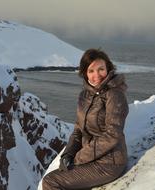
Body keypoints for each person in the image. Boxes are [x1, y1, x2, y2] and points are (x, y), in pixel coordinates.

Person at [42, 48, 129, 190]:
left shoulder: (114, 95)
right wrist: (68, 154)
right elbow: (78, 130)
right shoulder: (85, 95)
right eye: (91, 71)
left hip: (109, 161)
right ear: (85, 73)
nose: (97, 75)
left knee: (51, 182)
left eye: (101, 69)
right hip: (90, 157)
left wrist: (79, 158)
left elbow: (113, 135)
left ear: (108, 69)